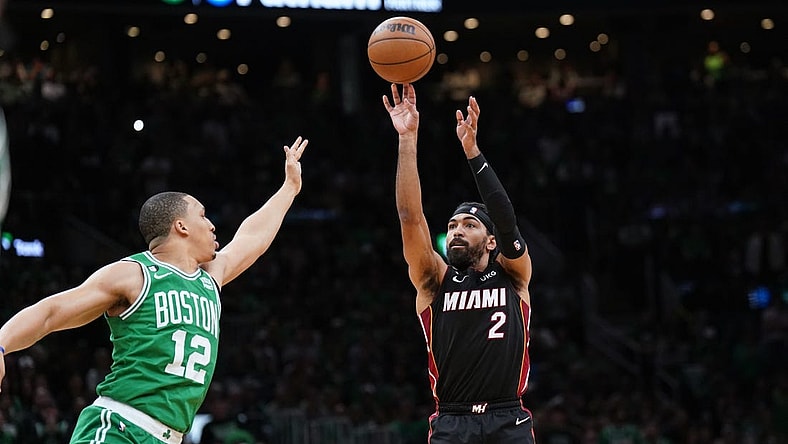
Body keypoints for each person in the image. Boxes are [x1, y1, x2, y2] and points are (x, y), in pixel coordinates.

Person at [0, 136, 309, 444]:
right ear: (181, 226)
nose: (212, 225)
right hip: (119, 427)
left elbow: (252, 237)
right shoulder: (135, 274)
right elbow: (51, 312)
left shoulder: (209, 277)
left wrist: (289, 188)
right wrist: (1, 344)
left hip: (167, 437)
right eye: (202, 215)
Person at [383, 82, 535, 443]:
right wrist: (407, 138)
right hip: (452, 420)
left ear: (491, 241)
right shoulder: (435, 280)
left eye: (469, 225)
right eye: (452, 226)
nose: (456, 231)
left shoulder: (513, 275)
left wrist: (473, 152)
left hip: (507, 417)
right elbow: (410, 218)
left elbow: (505, 219)